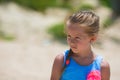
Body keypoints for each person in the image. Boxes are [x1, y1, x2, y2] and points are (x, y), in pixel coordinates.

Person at [50, 10, 110, 80]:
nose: (72, 42)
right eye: (69, 36)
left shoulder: (102, 67)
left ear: (93, 38)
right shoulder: (61, 60)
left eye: (77, 37)